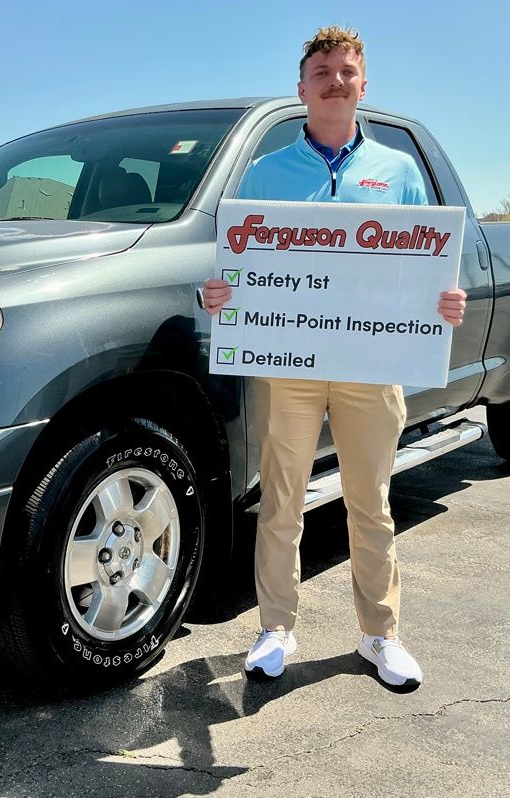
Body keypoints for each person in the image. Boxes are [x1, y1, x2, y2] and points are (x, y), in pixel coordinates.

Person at [202, 26, 467, 689]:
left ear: (363, 85)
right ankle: (275, 628)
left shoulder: (400, 174)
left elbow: (423, 271)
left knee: (371, 501)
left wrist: (443, 302)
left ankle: (381, 635)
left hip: (370, 367)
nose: (334, 80)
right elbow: (243, 267)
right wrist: (223, 293)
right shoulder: (264, 175)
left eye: (346, 70)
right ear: (302, 88)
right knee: (282, 501)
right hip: (287, 367)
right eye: (321, 70)